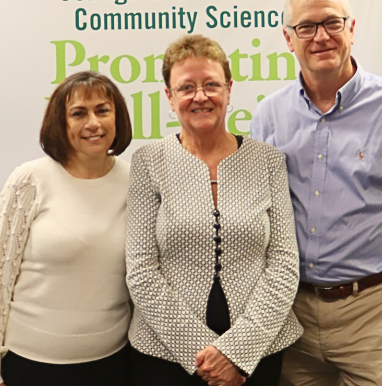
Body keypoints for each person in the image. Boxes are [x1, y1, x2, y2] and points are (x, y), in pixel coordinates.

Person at [250, 0, 382, 386]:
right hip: (292, 317)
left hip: (375, 314)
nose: (320, 36)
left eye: (332, 22)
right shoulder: (269, 116)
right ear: (289, 39)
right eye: (306, 27)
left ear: (352, 29)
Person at [126, 34, 303, 386]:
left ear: (229, 89)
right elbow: (141, 271)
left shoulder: (267, 161)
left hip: (256, 355)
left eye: (211, 84)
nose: (200, 96)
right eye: (186, 87)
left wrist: (237, 352)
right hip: (163, 358)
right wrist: (205, 354)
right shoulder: (148, 162)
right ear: (169, 96)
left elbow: (284, 263)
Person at [0, 71, 133, 386]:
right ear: (60, 122)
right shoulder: (29, 179)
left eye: (102, 110)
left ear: (118, 117)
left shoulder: (136, 181)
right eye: (78, 113)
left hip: (113, 365)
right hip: (29, 366)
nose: (93, 123)